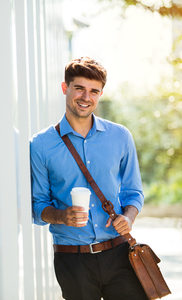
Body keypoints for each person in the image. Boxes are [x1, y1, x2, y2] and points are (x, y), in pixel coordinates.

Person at [30, 57, 148, 300]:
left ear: (100, 94)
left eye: (94, 91)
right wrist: (63, 216)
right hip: (72, 259)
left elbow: (133, 192)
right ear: (65, 88)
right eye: (79, 88)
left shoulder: (120, 136)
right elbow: (38, 205)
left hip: (119, 253)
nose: (86, 97)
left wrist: (128, 216)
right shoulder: (41, 144)